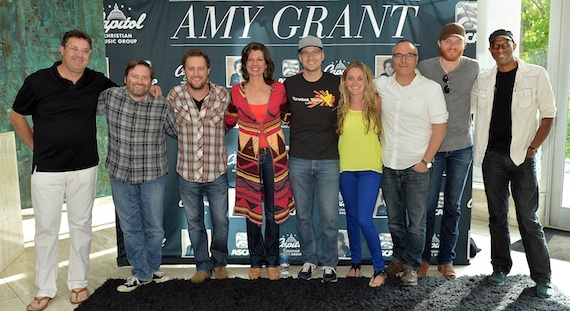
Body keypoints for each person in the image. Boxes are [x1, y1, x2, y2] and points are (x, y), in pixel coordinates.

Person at [9, 29, 118, 311]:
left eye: (84, 50)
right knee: (46, 229)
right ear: (62, 50)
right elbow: (16, 115)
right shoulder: (38, 81)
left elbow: (127, 94)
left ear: (89, 54)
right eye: (74, 48)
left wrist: (151, 88)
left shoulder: (97, 81)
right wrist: (36, 146)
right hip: (47, 170)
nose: (79, 54)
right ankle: (45, 289)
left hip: (84, 168)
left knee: (81, 226)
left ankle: (78, 283)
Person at [471, 29, 556, 298]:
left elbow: (549, 115)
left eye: (504, 44)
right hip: (492, 157)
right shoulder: (484, 79)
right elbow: (468, 109)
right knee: (497, 217)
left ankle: (542, 278)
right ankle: (500, 268)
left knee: (528, 219)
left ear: (514, 45)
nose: (499, 49)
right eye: (494, 46)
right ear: (490, 50)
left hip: (522, 157)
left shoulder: (536, 74)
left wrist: (533, 148)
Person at [97, 60, 176, 292]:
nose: (139, 81)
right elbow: (82, 107)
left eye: (145, 77)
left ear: (152, 82)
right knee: (131, 228)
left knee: (154, 228)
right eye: (135, 76)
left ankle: (151, 269)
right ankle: (141, 272)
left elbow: (178, 131)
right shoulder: (110, 97)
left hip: (153, 175)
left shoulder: (161, 105)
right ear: (125, 79)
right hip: (120, 175)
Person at [374, 39, 448, 286]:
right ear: (391, 59)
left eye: (409, 55)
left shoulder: (430, 89)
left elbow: (439, 128)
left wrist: (426, 161)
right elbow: (352, 81)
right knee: (395, 221)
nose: (403, 59)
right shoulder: (382, 85)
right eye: (398, 55)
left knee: (415, 223)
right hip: (388, 165)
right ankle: (398, 259)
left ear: (416, 59)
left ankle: (412, 266)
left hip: (416, 166)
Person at [225, 42, 294, 281]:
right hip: (247, 157)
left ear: (266, 63)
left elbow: (291, 115)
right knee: (251, 208)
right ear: (244, 64)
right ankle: (255, 260)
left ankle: (272, 260)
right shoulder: (236, 91)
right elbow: (228, 119)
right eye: (250, 59)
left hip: (275, 156)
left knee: (273, 210)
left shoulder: (279, 90)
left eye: (259, 59)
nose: (255, 64)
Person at [417, 22, 480, 279]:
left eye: (458, 41)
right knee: (428, 205)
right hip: (432, 147)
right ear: (439, 44)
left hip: (461, 147)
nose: (453, 45)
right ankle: (422, 259)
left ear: (464, 45)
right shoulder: (425, 67)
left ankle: (446, 259)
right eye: (448, 41)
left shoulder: (473, 68)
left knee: (453, 206)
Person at [167, 48, 231, 284]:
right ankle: (203, 266)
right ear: (184, 71)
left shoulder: (223, 95)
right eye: (191, 68)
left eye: (200, 68)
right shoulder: (174, 95)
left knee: (221, 221)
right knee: (195, 224)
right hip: (187, 171)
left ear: (208, 70)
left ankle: (220, 261)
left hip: (216, 171)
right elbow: (171, 127)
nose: (196, 73)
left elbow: (228, 124)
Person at [283, 35, 341, 283]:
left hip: (329, 159)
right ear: (299, 57)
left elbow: (366, 96)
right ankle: (309, 259)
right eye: (305, 53)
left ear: (323, 55)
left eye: (315, 52)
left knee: (329, 216)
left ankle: (329, 263)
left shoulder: (337, 83)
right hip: (299, 160)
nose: (310, 57)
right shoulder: (290, 84)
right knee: (303, 216)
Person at [337, 61, 387, 287]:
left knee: (365, 219)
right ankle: (355, 264)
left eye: (360, 78)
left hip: (370, 169)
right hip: (346, 168)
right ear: (344, 82)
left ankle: (380, 269)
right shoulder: (339, 105)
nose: (355, 83)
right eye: (350, 78)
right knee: (351, 217)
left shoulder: (377, 102)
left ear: (367, 81)